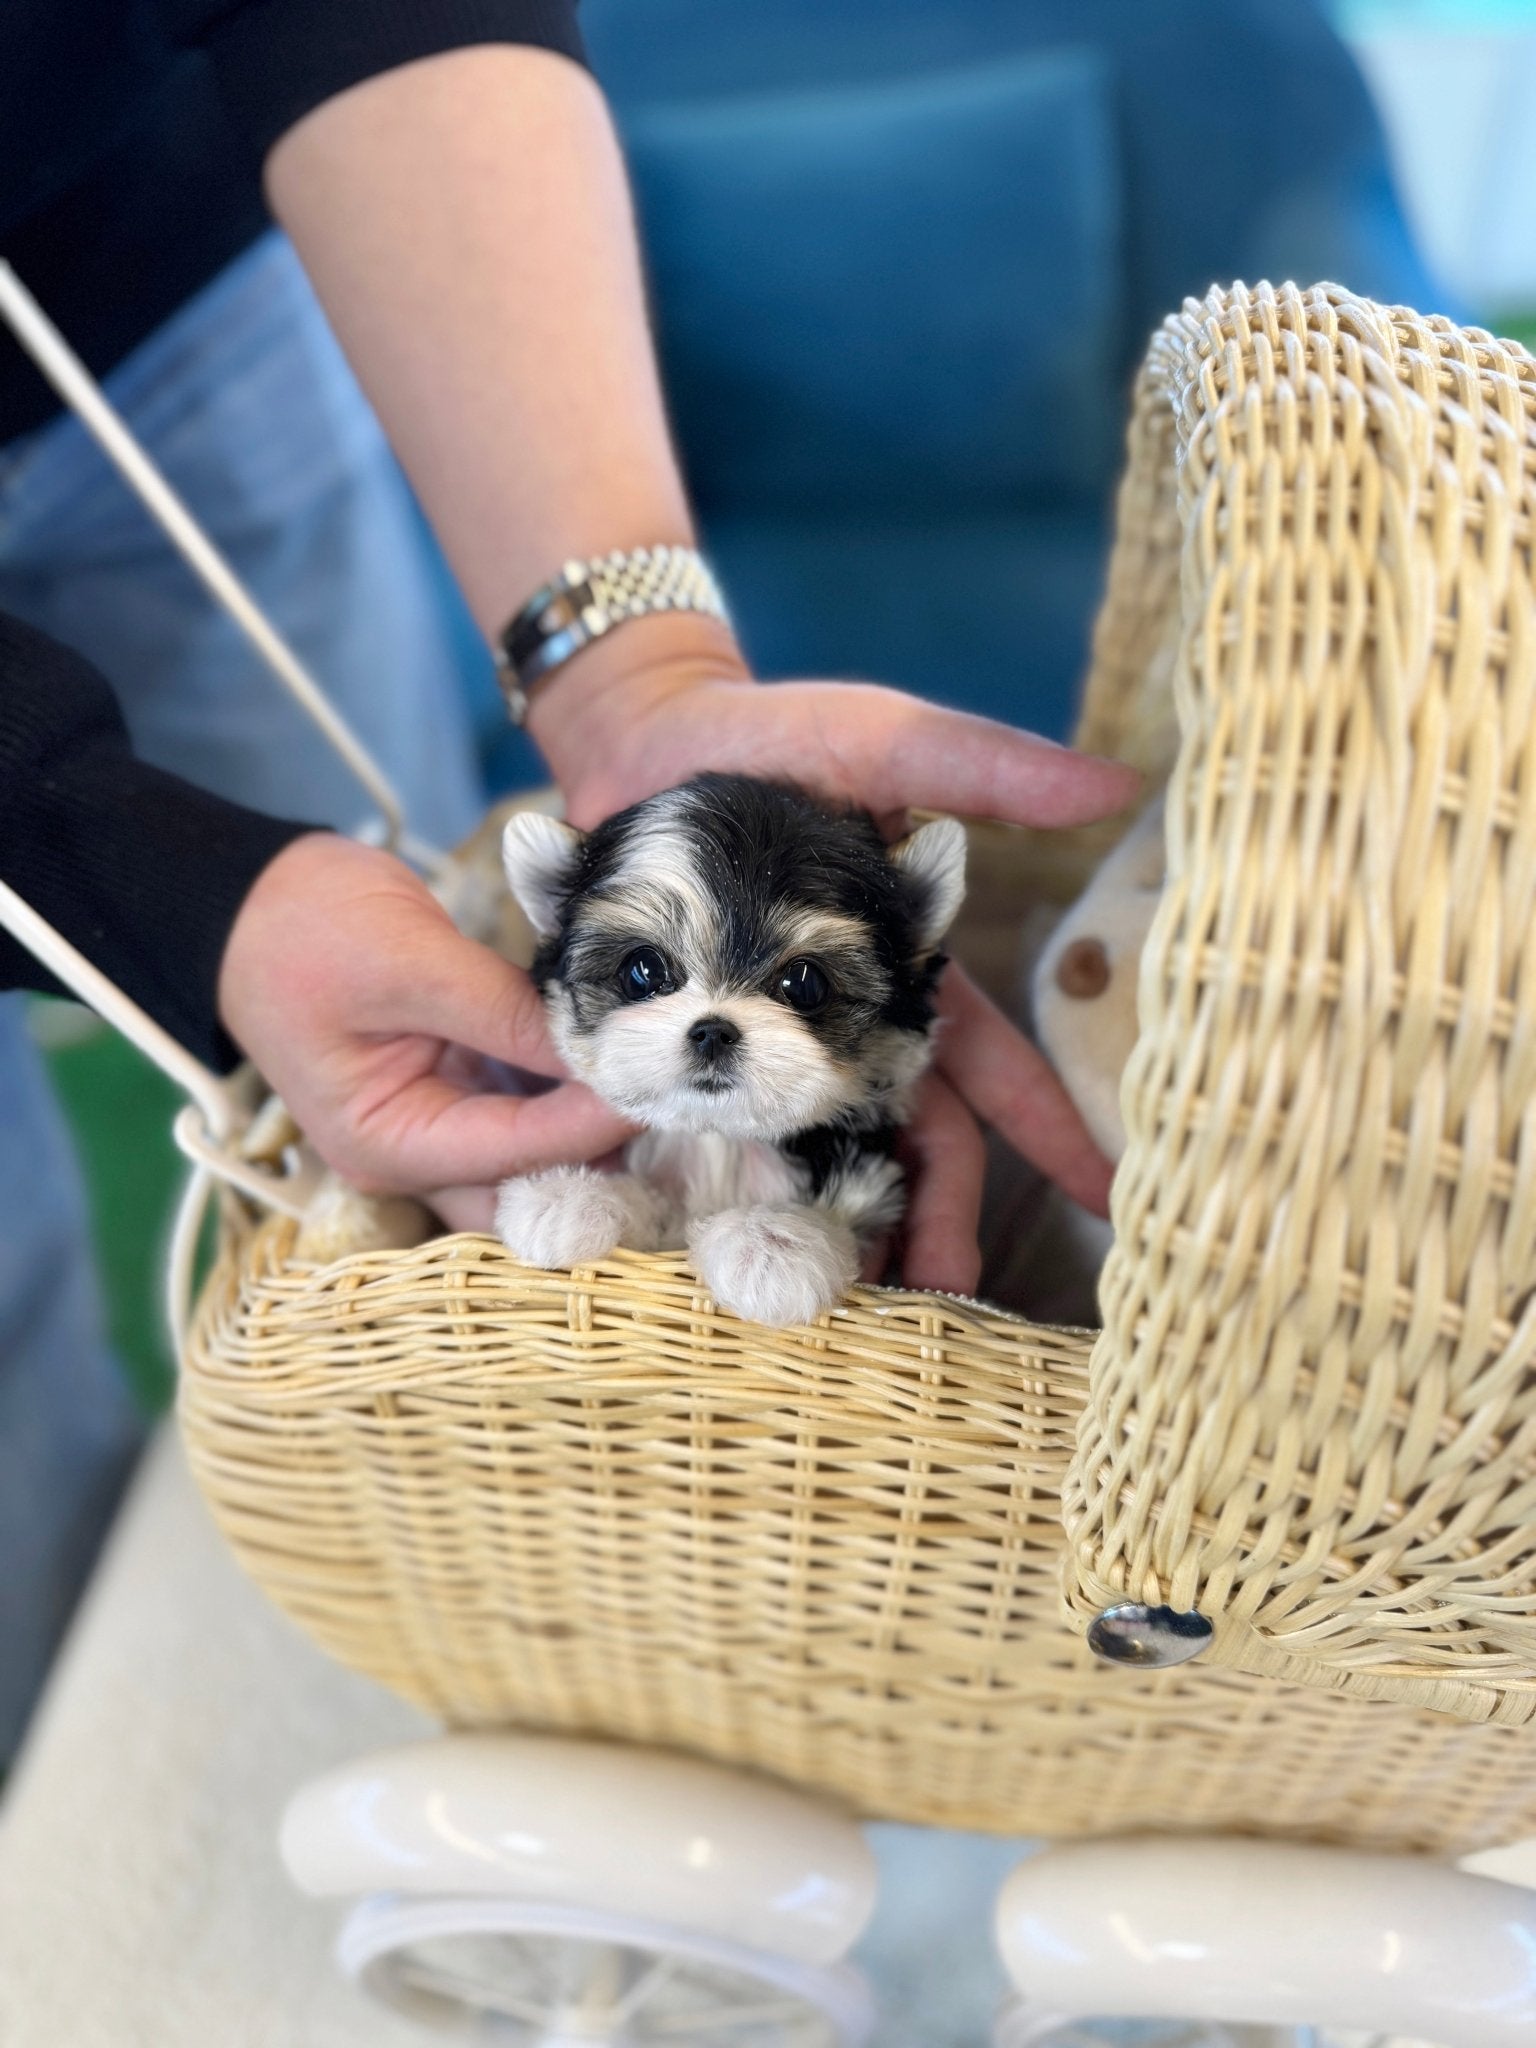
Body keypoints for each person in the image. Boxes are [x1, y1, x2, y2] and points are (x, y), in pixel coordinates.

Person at [0, 7, 1135, 1759]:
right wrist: (163, 885)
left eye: (801, 987)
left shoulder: (831, 1096)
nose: (702, 1034)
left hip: (165, 270)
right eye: (641, 981)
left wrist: (633, 675)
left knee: (383, 1022)